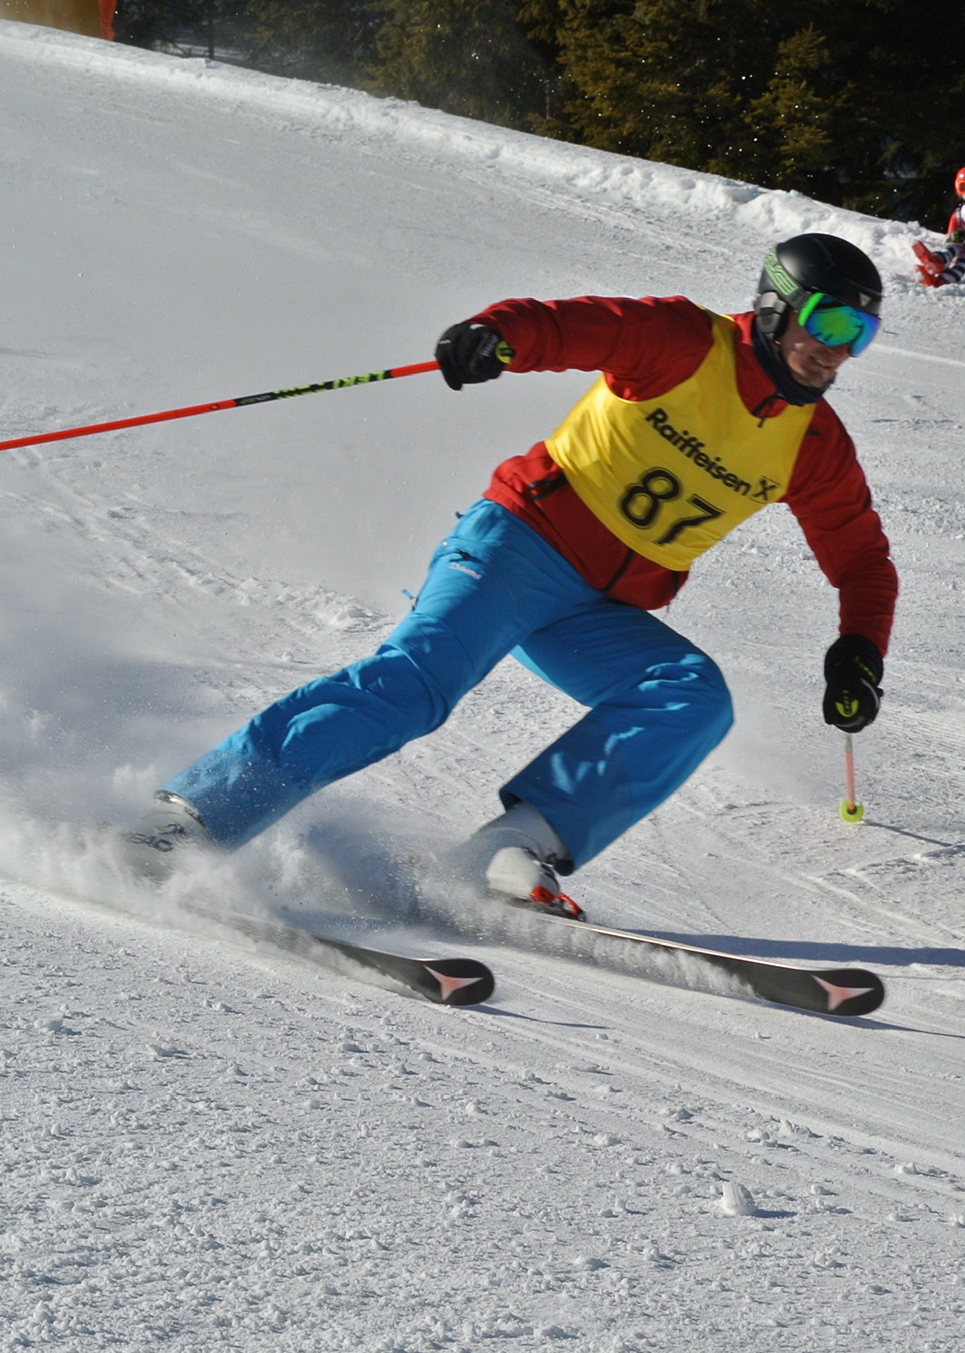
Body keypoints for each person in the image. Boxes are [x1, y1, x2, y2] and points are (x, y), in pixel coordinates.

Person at [124, 234, 898, 918]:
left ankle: (507, 852)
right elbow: (573, 325)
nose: (838, 350)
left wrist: (860, 650)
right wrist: (496, 336)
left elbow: (861, 558)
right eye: (829, 323)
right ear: (775, 308)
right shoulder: (685, 342)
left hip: (597, 609)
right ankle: (191, 818)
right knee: (417, 685)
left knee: (690, 697)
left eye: (859, 335)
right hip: (516, 548)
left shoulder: (813, 445)